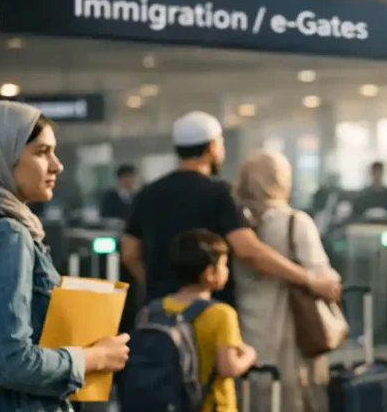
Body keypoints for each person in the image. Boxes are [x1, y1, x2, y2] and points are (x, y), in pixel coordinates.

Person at [0, 101, 130, 412]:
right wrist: (94, 357)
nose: (56, 165)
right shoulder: (9, 234)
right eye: (41, 152)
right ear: (1, 155)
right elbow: (10, 359)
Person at [121, 111, 340, 308]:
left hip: (158, 307)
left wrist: (157, 284)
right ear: (212, 147)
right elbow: (248, 250)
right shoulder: (219, 194)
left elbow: (129, 252)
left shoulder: (147, 194)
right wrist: (309, 279)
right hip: (208, 310)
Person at [233, 149, 340, 412]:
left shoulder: (235, 226)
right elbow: (325, 279)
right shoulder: (295, 222)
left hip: (246, 338)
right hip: (290, 340)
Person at [147, 229, 257, 412]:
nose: (227, 270)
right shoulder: (221, 314)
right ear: (210, 273)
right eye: (224, 265)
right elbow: (227, 367)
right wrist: (249, 355)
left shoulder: (155, 310)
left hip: (163, 410)